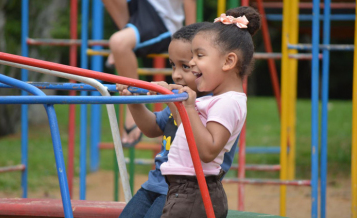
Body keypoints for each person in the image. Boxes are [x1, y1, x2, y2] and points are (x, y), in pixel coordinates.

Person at [159, 6, 261, 218]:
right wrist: (172, 101)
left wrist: (188, 107)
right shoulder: (214, 101)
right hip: (185, 190)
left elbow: (207, 151)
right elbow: (185, 130)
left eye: (200, 55)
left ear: (228, 61)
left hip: (194, 192)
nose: (193, 61)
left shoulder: (229, 102)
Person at [115, 22, 208, 218]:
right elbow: (152, 128)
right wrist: (134, 102)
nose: (176, 75)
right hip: (156, 183)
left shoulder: (210, 104)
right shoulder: (180, 98)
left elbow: (194, 142)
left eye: (185, 66)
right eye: (173, 65)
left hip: (183, 190)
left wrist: (172, 101)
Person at [102, 0, 196, 147]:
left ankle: (123, 46)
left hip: (163, 22)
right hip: (139, 12)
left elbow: (189, 3)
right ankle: (125, 41)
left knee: (118, 43)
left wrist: (191, 42)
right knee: (119, 43)